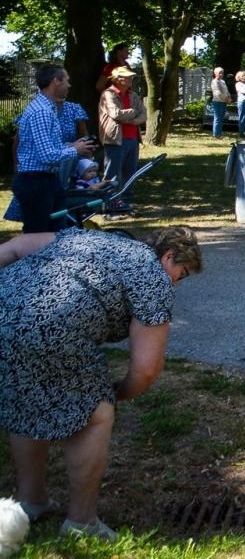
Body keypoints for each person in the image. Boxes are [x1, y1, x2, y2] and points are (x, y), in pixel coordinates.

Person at [0, 225, 202, 540]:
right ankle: (82, 523)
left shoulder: (86, 237)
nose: (177, 283)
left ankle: (32, 501)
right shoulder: (153, 276)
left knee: (26, 397)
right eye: (183, 274)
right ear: (169, 256)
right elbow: (146, 369)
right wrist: (116, 394)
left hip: (4, 310)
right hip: (54, 329)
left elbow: (14, 248)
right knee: (95, 415)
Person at [11, 67, 96, 233]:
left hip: (46, 181)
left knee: (55, 233)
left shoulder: (47, 108)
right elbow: (47, 155)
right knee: (37, 236)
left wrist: (73, 146)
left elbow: (48, 148)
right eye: (67, 80)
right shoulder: (42, 112)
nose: (69, 85)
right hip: (36, 182)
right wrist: (75, 150)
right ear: (55, 81)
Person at [97, 68, 147, 205]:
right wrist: (133, 112)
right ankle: (110, 202)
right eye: (127, 77)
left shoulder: (133, 95)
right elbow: (116, 114)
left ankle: (126, 201)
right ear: (117, 79)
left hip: (132, 138)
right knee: (112, 173)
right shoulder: (108, 94)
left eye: (131, 77)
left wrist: (132, 120)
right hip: (115, 139)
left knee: (130, 173)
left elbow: (144, 114)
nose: (131, 79)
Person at [207, 67, 230, 138]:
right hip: (217, 102)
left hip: (224, 102)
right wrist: (226, 99)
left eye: (222, 73)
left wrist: (229, 97)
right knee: (217, 118)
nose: (221, 74)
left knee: (221, 118)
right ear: (215, 73)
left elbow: (226, 91)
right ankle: (216, 135)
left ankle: (219, 134)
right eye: (219, 73)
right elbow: (218, 93)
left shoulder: (223, 81)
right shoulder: (214, 81)